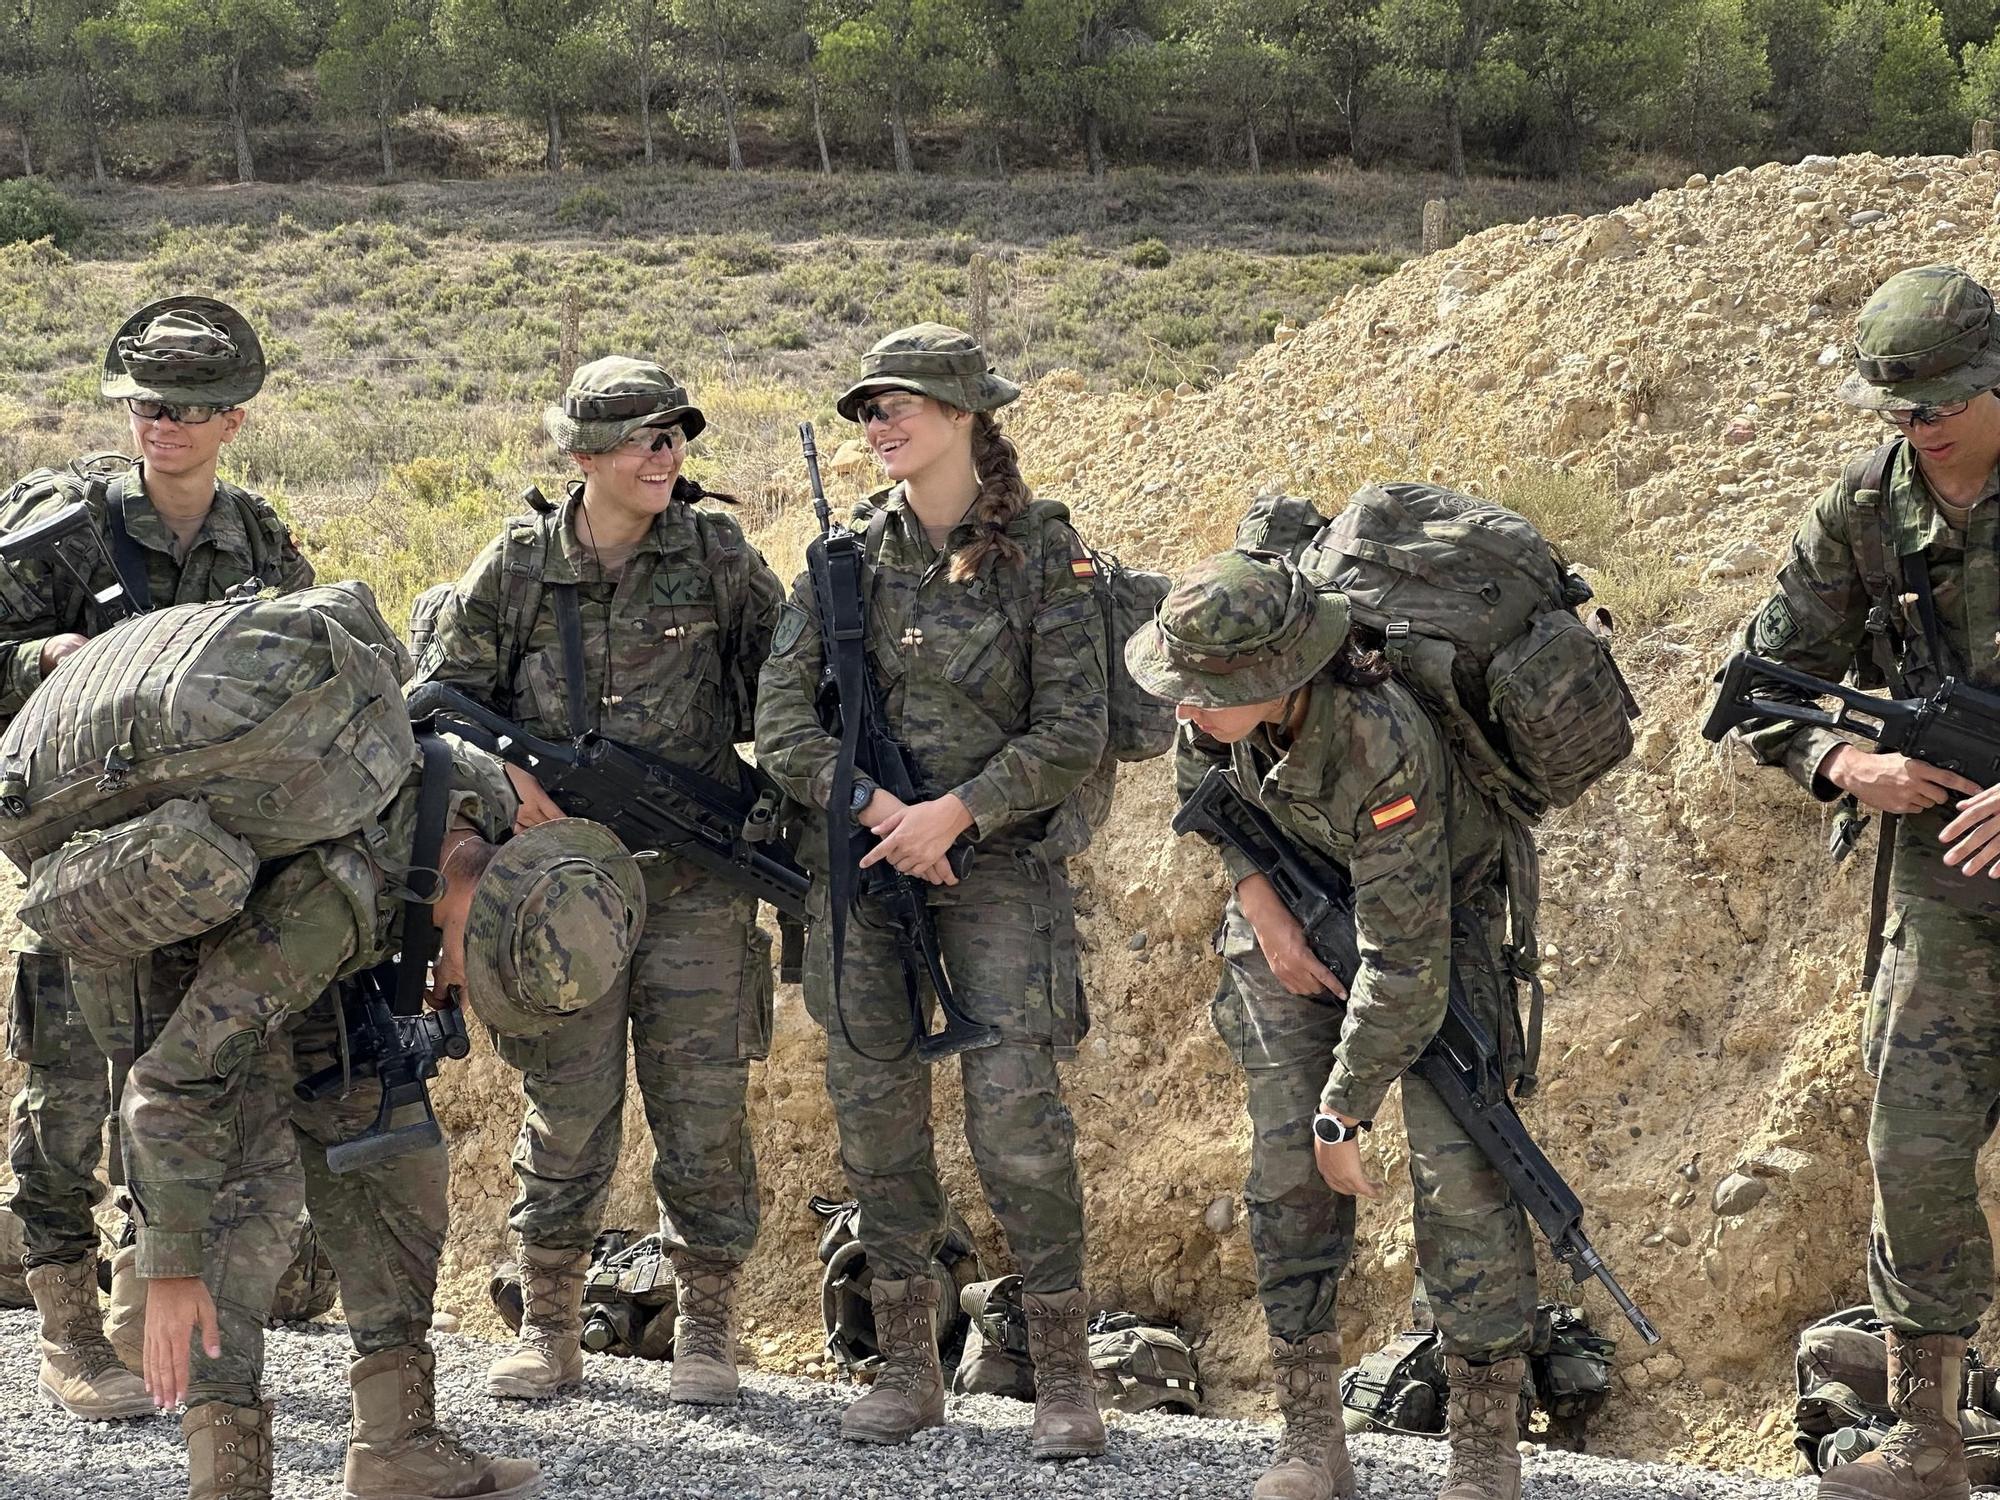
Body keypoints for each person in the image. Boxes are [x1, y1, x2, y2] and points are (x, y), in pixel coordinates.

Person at [755, 323, 1110, 1458]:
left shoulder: (1044, 552)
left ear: (965, 415)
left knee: (1015, 1123)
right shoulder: (844, 561)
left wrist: (950, 814)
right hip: (866, 869)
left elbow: (1073, 730)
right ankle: (906, 1368)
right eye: (867, 409)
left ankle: (1064, 1379)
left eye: (901, 404)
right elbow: (778, 725)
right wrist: (877, 813)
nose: (879, 425)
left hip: (994, 864)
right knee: (877, 1121)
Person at [412, 356, 784, 1406]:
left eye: (674, 437)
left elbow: (787, 695)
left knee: (701, 1109)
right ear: (581, 457)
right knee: (566, 1105)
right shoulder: (521, 563)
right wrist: (510, 774)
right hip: (556, 894)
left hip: (693, 882)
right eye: (639, 439)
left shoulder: (716, 554)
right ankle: (550, 1327)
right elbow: (436, 702)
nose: (662, 456)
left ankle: (706, 1330)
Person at [1128, 550, 1538, 1500]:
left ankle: (1485, 1456)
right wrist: (1266, 916)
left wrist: (1346, 1107)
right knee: (1284, 1172)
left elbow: (1405, 961)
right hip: (1289, 918)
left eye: (1202, 693)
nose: (1182, 708)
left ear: (1276, 679)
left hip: (1429, 922)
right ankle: (1311, 1438)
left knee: (1466, 1173)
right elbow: (1216, 808)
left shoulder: (1379, 741)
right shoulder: (1213, 715)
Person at [0, 295, 313, 1422]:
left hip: (208, 867)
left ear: (234, 418)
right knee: (66, 1092)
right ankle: (67, 1333)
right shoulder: (58, 529)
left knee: (173, 1086)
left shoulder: (258, 538)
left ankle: (145, 1313)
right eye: (143, 403)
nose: (162, 424)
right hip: (80, 857)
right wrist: (49, 657)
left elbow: (300, 666)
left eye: (188, 407)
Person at [1724, 263, 2000, 1500]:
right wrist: (1845, 761)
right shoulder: (1862, 508)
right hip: (1945, 890)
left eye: (1941, 399)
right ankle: (1927, 1438)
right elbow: (1759, 682)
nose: (1920, 425)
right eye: (1897, 406)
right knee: (1915, 1149)